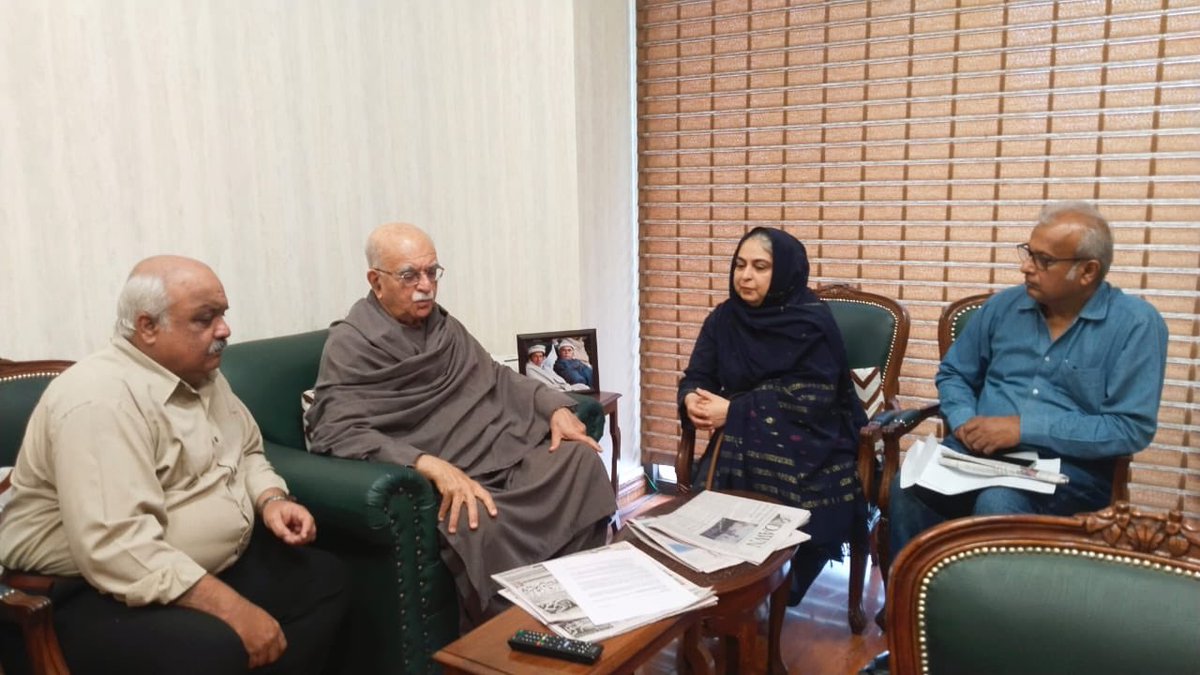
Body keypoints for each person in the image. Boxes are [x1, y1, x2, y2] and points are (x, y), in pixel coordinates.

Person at [0, 256, 348, 675]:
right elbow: (119, 547)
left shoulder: (201, 374)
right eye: (205, 318)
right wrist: (237, 612)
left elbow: (248, 451)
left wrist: (270, 498)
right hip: (89, 590)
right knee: (215, 648)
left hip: (191, 567)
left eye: (222, 314)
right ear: (147, 326)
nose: (224, 330)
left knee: (327, 582)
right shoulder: (99, 400)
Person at [303, 223, 615, 623]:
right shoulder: (351, 344)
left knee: (580, 461)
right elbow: (334, 429)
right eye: (409, 275)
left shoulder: (443, 327)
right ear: (375, 281)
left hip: (498, 450)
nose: (426, 286)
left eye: (432, 272)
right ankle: (515, 632)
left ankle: (582, 599)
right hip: (451, 471)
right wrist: (425, 463)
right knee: (472, 518)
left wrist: (555, 407)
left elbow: (497, 376)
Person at [886, 202, 1168, 563]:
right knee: (909, 487)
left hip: (1069, 471)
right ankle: (908, 611)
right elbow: (954, 374)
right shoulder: (1002, 307)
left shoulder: (1136, 325)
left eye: (1043, 260)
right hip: (977, 456)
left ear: (1087, 271)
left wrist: (1023, 429)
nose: (1026, 267)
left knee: (999, 500)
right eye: (1028, 253)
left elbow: (1130, 428)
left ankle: (988, 619)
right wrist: (964, 420)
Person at [678, 226, 867, 608]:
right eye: (740, 265)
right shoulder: (723, 320)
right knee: (738, 450)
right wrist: (690, 402)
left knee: (755, 452)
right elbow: (698, 376)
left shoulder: (811, 320)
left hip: (814, 434)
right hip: (744, 434)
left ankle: (782, 575)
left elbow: (816, 395)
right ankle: (730, 580)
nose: (745, 276)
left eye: (760, 267)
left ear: (784, 273)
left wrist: (735, 410)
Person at [525, 344, 590, 392]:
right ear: (531, 358)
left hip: (562, 387)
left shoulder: (545, 367)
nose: (538, 359)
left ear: (543, 357)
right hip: (551, 391)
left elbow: (559, 379)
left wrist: (565, 386)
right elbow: (544, 385)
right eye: (535, 356)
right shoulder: (530, 369)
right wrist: (562, 387)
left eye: (540, 356)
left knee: (584, 387)